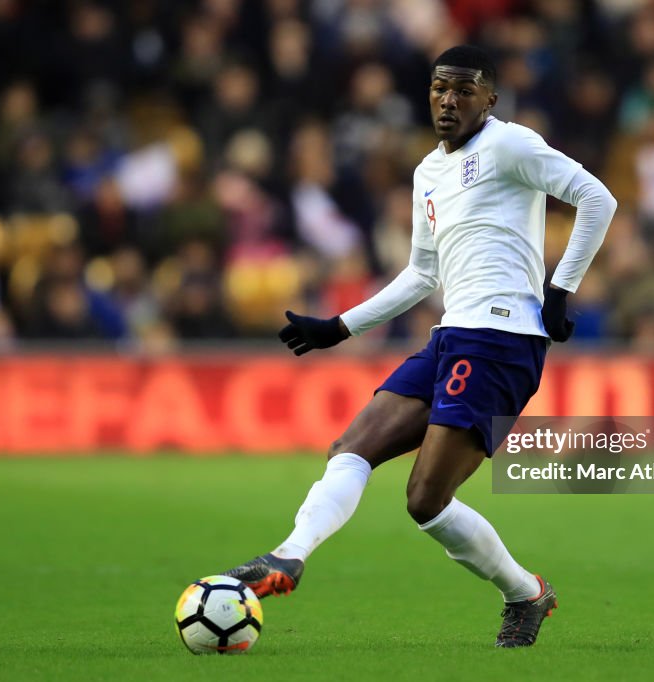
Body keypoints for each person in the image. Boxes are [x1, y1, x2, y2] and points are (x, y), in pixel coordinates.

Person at [222, 45, 617, 648]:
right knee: (351, 446)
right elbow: (421, 274)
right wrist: (340, 327)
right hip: (451, 335)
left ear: (489, 97)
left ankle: (527, 594)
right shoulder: (427, 173)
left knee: (425, 499)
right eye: (438, 89)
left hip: (502, 340)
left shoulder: (511, 145)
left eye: (463, 89)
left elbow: (597, 198)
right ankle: (288, 556)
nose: (448, 101)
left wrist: (560, 289)